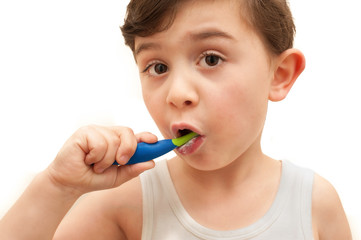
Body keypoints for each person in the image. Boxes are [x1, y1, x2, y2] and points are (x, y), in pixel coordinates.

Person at [0, 0, 352, 239]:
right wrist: (57, 187)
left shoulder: (314, 203)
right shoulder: (125, 202)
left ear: (280, 74)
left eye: (211, 59)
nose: (176, 92)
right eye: (158, 67)